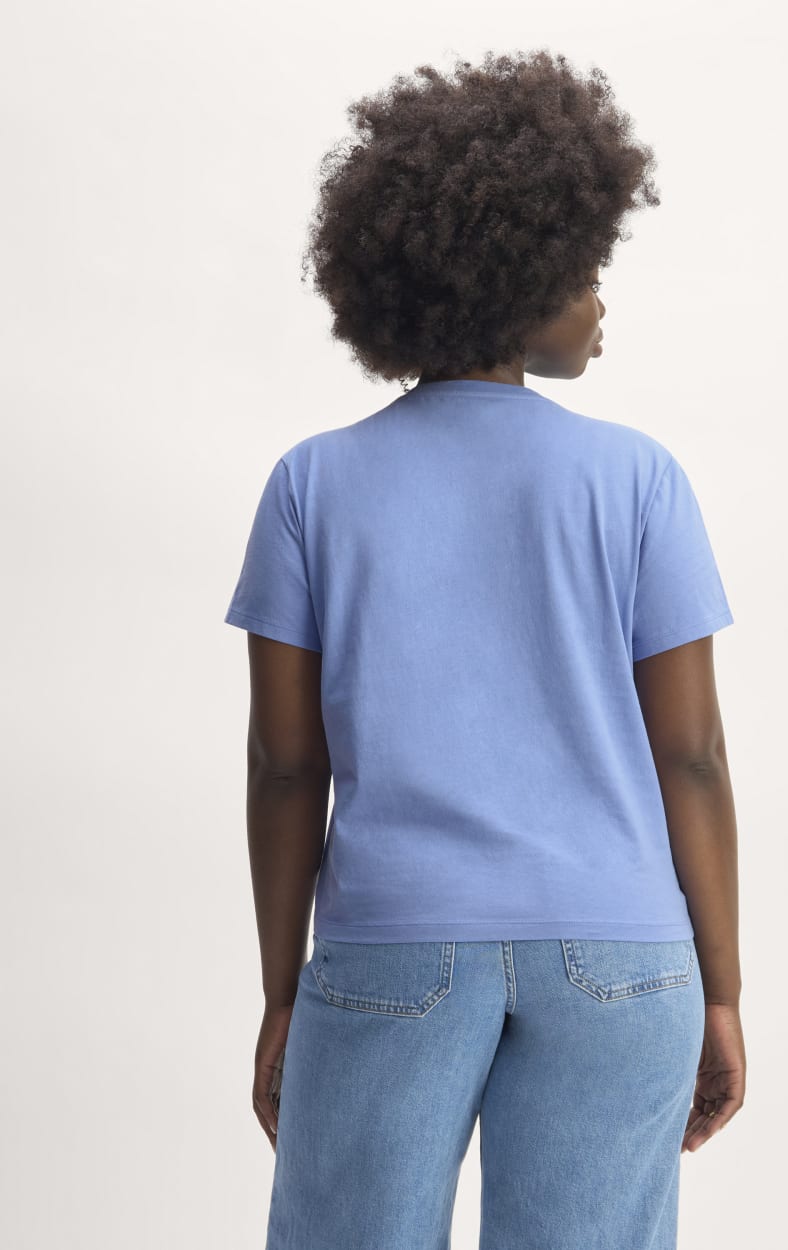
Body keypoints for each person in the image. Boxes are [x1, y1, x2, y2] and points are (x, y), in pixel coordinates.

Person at [224, 48, 745, 1250]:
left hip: (390, 946)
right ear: (516, 276)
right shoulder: (638, 479)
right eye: (585, 273)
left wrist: (283, 990)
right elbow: (693, 756)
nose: (600, 304)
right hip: (621, 954)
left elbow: (286, 767)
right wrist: (720, 987)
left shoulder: (313, 484)